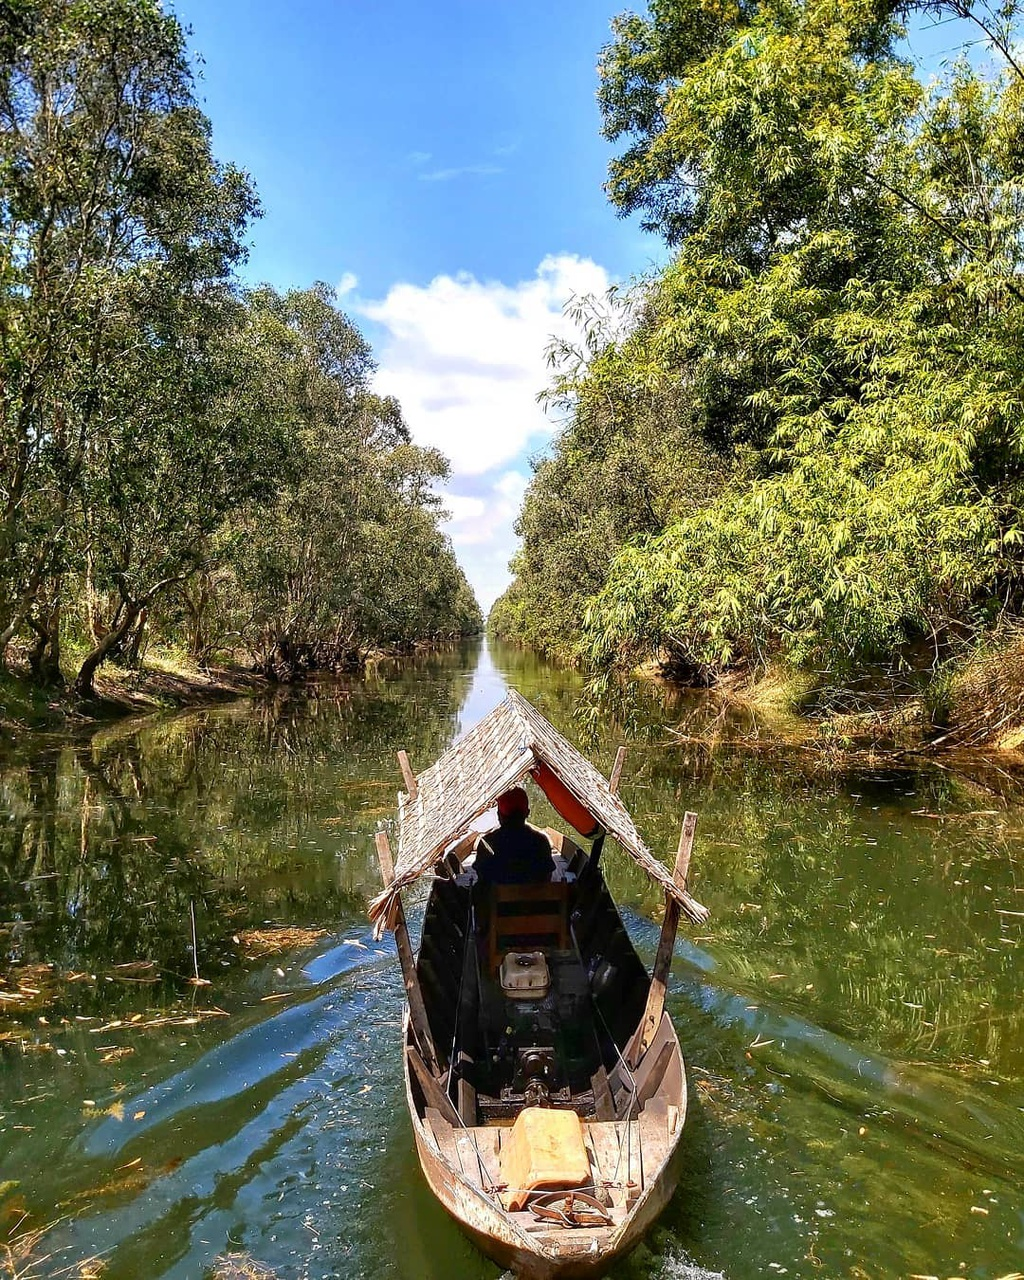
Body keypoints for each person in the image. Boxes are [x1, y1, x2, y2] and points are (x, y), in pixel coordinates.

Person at [474, 786, 555, 885]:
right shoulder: (541, 841)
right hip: (535, 900)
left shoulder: (486, 843)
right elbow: (547, 876)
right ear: (527, 813)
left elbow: (482, 878)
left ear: (499, 814)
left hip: (496, 899)